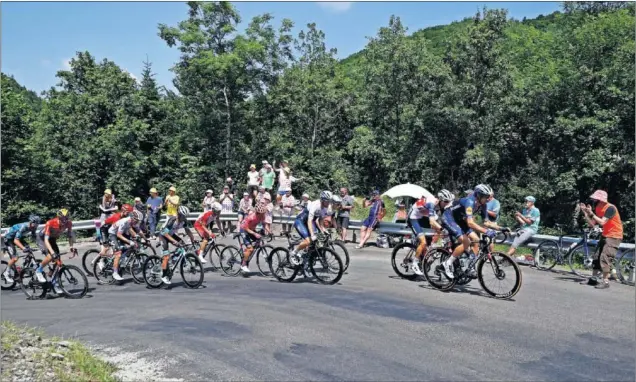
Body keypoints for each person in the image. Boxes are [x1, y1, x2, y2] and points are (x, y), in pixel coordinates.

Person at [438, 184, 498, 279]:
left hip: (460, 219)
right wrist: (486, 231)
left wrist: (501, 228)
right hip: (449, 218)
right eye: (486, 197)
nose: (488, 199)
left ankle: (469, 267)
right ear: (479, 195)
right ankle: (447, 263)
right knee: (466, 241)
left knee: (476, 240)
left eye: (488, 197)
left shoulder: (483, 205)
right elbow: (470, 223)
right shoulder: (470, 201)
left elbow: (487, 222)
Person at [580, 190, 623, 289]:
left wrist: (591, 213)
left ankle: (606, 282)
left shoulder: (610, 208)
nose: (595, 200)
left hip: (614, 236)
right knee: (596, 256)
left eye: (597, 198)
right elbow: (593, 224)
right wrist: (586, 213)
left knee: (605, 257)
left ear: (602, 199)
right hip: (605, 234)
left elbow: (603, 222)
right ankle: (593, 279)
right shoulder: (599, 207)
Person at [35, 209, 75, 294]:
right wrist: (52, 253)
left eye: (66, 218)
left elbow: (70, 236)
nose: (64, 221)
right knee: (51, 256)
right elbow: (46, 240)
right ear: (58, 218)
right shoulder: (50, 223)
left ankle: (54, 282)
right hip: (42, 239)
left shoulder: (69, 223)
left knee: (58, 262)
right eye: (62, 219)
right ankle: (39, 270)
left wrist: (71, 247)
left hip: (52, 239)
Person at [289, 191, 331, 270]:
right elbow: (309, 221)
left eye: (329, 201)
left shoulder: (325, 207)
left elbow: (321, 220)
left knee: (315, 241)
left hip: (310, 222)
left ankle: (305, 260)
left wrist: (323, 230)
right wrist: (312, 234)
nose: (329, 203)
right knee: (309, 240)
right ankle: (294, 252)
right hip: (301, 221)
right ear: (322, 200)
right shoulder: (315, 205)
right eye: (327, 201)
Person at [406, 193, 446, 276]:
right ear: (440, 200)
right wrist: (442, 229)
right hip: (413, 218)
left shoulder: (437, 205)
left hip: (422, 216)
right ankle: (415, 263)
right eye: (445, 201)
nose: (446, 203)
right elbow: (432, 222)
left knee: (438, 230)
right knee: (423, 242)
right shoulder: (431, 204)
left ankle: (430, 249)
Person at [160, 206, 197, 284]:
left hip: (171, 234)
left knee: (183, 245)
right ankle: (164, 276)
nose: (184, 218)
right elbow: (165, 233)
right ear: (179, 214)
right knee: (166, 256)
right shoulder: (172, 220)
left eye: (185, 217)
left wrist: (193, 240)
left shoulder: (184, 221)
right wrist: (175, 242)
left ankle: (173, 259)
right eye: (183, 216)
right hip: (163, 236)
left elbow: (188, 231)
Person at [92, 204, 133, 271]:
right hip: (103, 230)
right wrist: (98, 234)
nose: (129, 214)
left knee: (118, 247)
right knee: (106, 248)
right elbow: (102, 223)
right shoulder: (116, 217)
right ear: (124, 211)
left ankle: (114, 260)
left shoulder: (123, 218)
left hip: (110, 231)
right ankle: (98, 261)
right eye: (128, 212)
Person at [2, 215, 41, 283]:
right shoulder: (24, 227)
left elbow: (34, 237)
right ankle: (6, 273)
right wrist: (23, 248)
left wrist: (40, 246)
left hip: (17, 238)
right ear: (31, 222)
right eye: (35, 224)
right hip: (8, 239)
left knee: (29, 250)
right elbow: (15, 241)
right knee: (15, 258)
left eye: (38, 224)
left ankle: (23, 268)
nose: (36, 226)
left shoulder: (33, 227)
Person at [109, 210, 146, 281]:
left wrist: (142, 238)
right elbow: (118, 235)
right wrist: (129, 241)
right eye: (137, 221)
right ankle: (115, 273)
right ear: (132, 218)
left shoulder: (131, 221)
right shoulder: (125, 222)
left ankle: (122, 261)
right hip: (113, 234)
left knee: (132, 245)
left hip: (120, 234)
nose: (137, 222)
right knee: (118, 254)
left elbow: (135, 231)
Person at [238, 200, 269, 273]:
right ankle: (243, 264)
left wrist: (269, 231)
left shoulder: (262, 215)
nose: (263, 215)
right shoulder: (251, 217)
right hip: (244, 230)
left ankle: (247, 255)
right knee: (250, 248)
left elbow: (264, 224)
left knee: (259, 240)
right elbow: (246, 228)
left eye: (263, 213)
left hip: (251, 229)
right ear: (257, 213)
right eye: (261, 214)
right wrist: (255, 234)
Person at [508, 196, 541, 263]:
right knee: (514, 243)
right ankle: (509, 258)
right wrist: (518, 218)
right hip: (523, 229)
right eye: (525, 201)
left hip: (531, 229)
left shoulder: (535, 210)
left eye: (527, 201)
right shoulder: (525, 210)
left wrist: (520, 215)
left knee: (515, 244)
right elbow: (523, 223)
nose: (525, 203)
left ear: (532, 202)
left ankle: (505, 257)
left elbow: (529, 222)